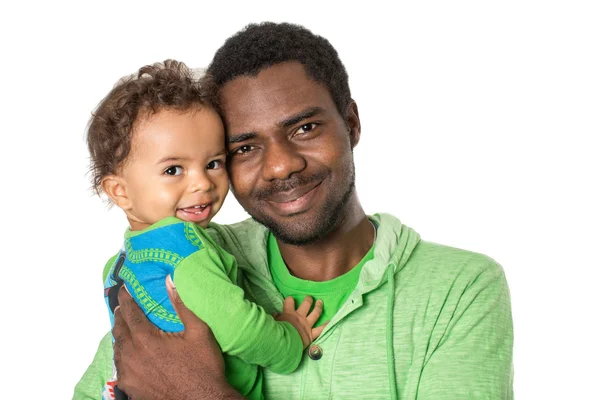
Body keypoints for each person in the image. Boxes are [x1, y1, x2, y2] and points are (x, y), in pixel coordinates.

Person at [74, 22, 514, 400]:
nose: (282, 164)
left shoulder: (461, 289)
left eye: (305, 128)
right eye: (244, 147)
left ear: (352, 123)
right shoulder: (183, 258)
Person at [84, 60, 325, 400]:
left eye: (213, 163)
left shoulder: (117, 267)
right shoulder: (187, 251)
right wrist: (289, 336)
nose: (202, 182)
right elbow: (241, 333)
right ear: (119, 190)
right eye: (173, 170)